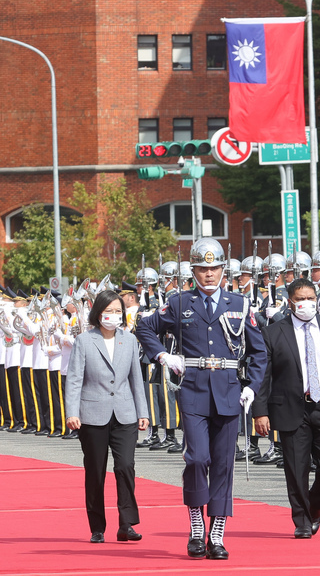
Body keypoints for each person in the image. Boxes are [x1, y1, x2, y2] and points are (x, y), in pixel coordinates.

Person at [136, 238, 268, 560]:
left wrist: (252, 386)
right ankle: (197, 524)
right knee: (196, 459)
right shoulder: (179, 302)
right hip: (193, 389)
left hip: (228, 390)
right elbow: (145, 327)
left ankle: (217, 533)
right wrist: (163, 356)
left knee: (223, 463)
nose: (209, 274)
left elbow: (259, 351)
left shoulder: (240, 304)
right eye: (202, 268)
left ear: (223, 270)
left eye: (214, 268)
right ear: (193, 270)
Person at [253, 277, 320, 539]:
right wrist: (260, 411)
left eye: (310, 298)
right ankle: (301, 519)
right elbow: (263, 376)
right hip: (292, 407)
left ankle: (314, 506)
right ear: (290, 303)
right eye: (300, 299)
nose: (306, 304)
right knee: (296, 467)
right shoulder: (273, 332)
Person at [64, 290, 149, 544]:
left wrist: (142, 412)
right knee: (95, 471)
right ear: (98, 312)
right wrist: (72, 412)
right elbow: (75, 379)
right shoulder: (84, 340)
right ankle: (97, 527)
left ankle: (126, 524)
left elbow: (136, 378)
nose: (113, 316)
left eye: (117, 311)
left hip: (124, 414)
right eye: (108, 311)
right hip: (92, 415)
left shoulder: (129, 340)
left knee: (125, 467)